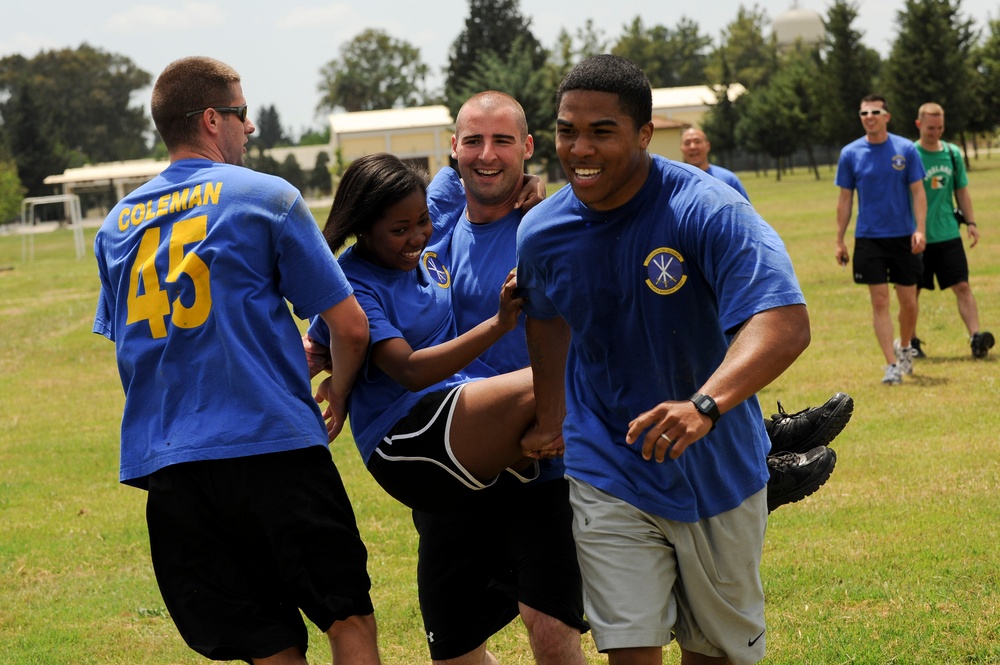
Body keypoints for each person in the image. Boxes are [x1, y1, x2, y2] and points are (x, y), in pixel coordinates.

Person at [515, 54, 811, 665]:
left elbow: (784, 323)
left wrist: (706, 406)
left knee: (715, 653)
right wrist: (551, 418)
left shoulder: (708, 208)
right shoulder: (541, 230)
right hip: (607, 464)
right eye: (568, 130)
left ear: (645, 134)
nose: (579, 149)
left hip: (717, 469)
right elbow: (545, 320)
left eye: (602, 131)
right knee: (629, 647)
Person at [91, 57, 380, 664]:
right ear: (212, 120)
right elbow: (351, 328)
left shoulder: (115, 226)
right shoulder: (266, 197)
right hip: (272, 446)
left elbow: (134, 341)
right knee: (346, 615)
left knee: (267, 645)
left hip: (172, 468)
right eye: (243, 115)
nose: (251, 128)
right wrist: (343, 393)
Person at [835, 94, 927, 385]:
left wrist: (920, 228)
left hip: (903, 237)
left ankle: (905, 347)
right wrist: (839, 239)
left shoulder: (905, 149)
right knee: (879, 300)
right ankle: (891, 364)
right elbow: (845, 199)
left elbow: (918, 192)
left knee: (909, 302)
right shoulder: (850, 153)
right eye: (864, 113)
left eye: (875, 111)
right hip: (869, 239)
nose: (869, 116)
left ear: (887, 116)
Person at [912, 102, 993, 360]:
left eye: (940, 127)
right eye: (930, 128)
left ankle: (976, 338)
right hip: (917, 235)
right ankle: (910, 342)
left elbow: (961, 191)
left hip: (948, 233)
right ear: (919, 125)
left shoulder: (952, 153)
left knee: (962, 285)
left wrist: (971, 222)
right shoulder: (910, 154)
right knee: (912, 291)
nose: (935, 132)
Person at [680, 126, 750, 200]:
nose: (692, 147)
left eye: (697, 142)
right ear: (681, 149)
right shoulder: (675, 183)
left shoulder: (729, 180)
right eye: (687, 143)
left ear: (708, 146)